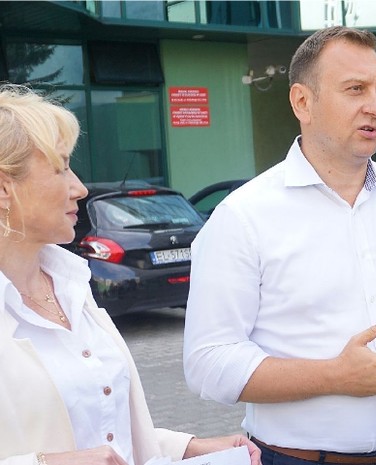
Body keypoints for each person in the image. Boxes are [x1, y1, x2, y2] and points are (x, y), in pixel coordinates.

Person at [183, 26, 376, 465]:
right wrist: (334, 377)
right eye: (355, 89)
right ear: (302, 102)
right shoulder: (242, 217)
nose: (374, 106)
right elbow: (208, 362)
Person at [0, 84, 262, 465]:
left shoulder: (73, 287)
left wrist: (187, 448)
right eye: (61, 167)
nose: (80, 188)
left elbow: (105, 434)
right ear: (4, 187)